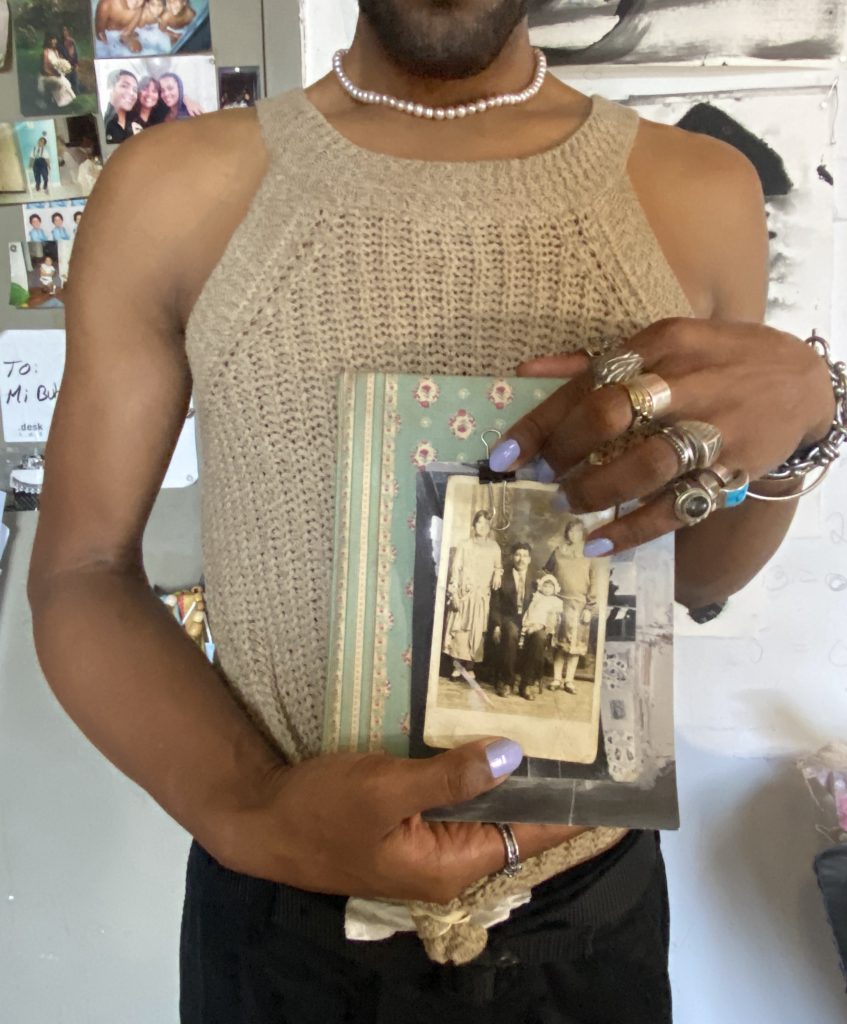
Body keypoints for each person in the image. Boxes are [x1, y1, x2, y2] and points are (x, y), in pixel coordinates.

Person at [29, 2, 841, 1020]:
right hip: (281, 919)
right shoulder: (176, 188)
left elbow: (700, 567)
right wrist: (253, 811)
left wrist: (803, 429)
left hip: (586, 920)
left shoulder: (696, 191)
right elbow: (81, 571)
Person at [442, 508, 503, 679]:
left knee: (477, 630)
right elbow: (455, 569)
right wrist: (453, 592)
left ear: (490, 527)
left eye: (486, 523)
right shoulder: (464, 544)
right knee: (461, 630)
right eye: (479, 522)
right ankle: (457, 666)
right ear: (473, 524)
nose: (482, 526)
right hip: (464, 593)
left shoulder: (494, 547)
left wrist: (498, 573)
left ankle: (470, 666)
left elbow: (498, 566)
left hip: (482, 595)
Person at [544, 517, 598, 694]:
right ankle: (557, 679)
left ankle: (569, 681)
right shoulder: (558, 551)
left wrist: (590, 608)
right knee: (558, 644)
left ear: (583, 534)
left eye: (577, 531)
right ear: (566, 533)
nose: (573, 534)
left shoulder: (590, 554)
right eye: (570, 530)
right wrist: (547, 593)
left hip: (580, 606)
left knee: (575, 646)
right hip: (559, 603)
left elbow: (595, 582)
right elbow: (546, 573)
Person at [488, 540, 535, 697]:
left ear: (530, 559)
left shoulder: (537, 579)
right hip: (509, 618)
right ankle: (507, 681)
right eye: (517, 555)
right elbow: (495, 604)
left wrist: (541, 623)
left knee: (539, 637)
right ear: (512, 557)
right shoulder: (502, 576)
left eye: (525, 556)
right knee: (512, 632)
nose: (521, 559)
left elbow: (546, 602)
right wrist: (496, 625)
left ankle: (527, 684)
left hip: (530, 619)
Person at [518, 573, 563, 699]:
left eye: (550, 587)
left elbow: (553, 621)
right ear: (541, 587)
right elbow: (530, 611)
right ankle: (529, 629)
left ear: (555, 589)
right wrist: (528, 623)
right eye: (545, 586)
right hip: (531, 622)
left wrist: (541, 625)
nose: (547, 589)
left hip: (545, 626)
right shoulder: (536, 597)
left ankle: (528, 681)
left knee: (540, 638)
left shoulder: (555, 602)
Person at [40, 33, 76, 108]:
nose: (54, 41)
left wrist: (64, 68)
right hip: (47, 75)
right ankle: (57, 103)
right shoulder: (45, 52)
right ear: (48, 41)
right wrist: (55, 73)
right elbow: (45, 68)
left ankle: (61, 102)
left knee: (67, 83)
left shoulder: (55, 51)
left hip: (57, 74)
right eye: (52, 39)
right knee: (61, 83)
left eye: (55, 39)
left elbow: (60, 62)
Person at [104, 68, 139, 144]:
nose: (131, 93)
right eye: (124, 86)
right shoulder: (103, 124)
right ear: (111, 88)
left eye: (135, 90)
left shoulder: (135, 128)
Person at [59, 25, 80, 94]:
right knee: (66, 79)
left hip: (73, 63)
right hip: (65, 64)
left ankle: (76, 91)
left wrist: (76, 64)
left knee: (75, 79)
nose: (64, 33)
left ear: (67, 32)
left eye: (65, 31)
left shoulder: (71, 41)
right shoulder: (59, 43)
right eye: (63, 31)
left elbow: (75, 53)